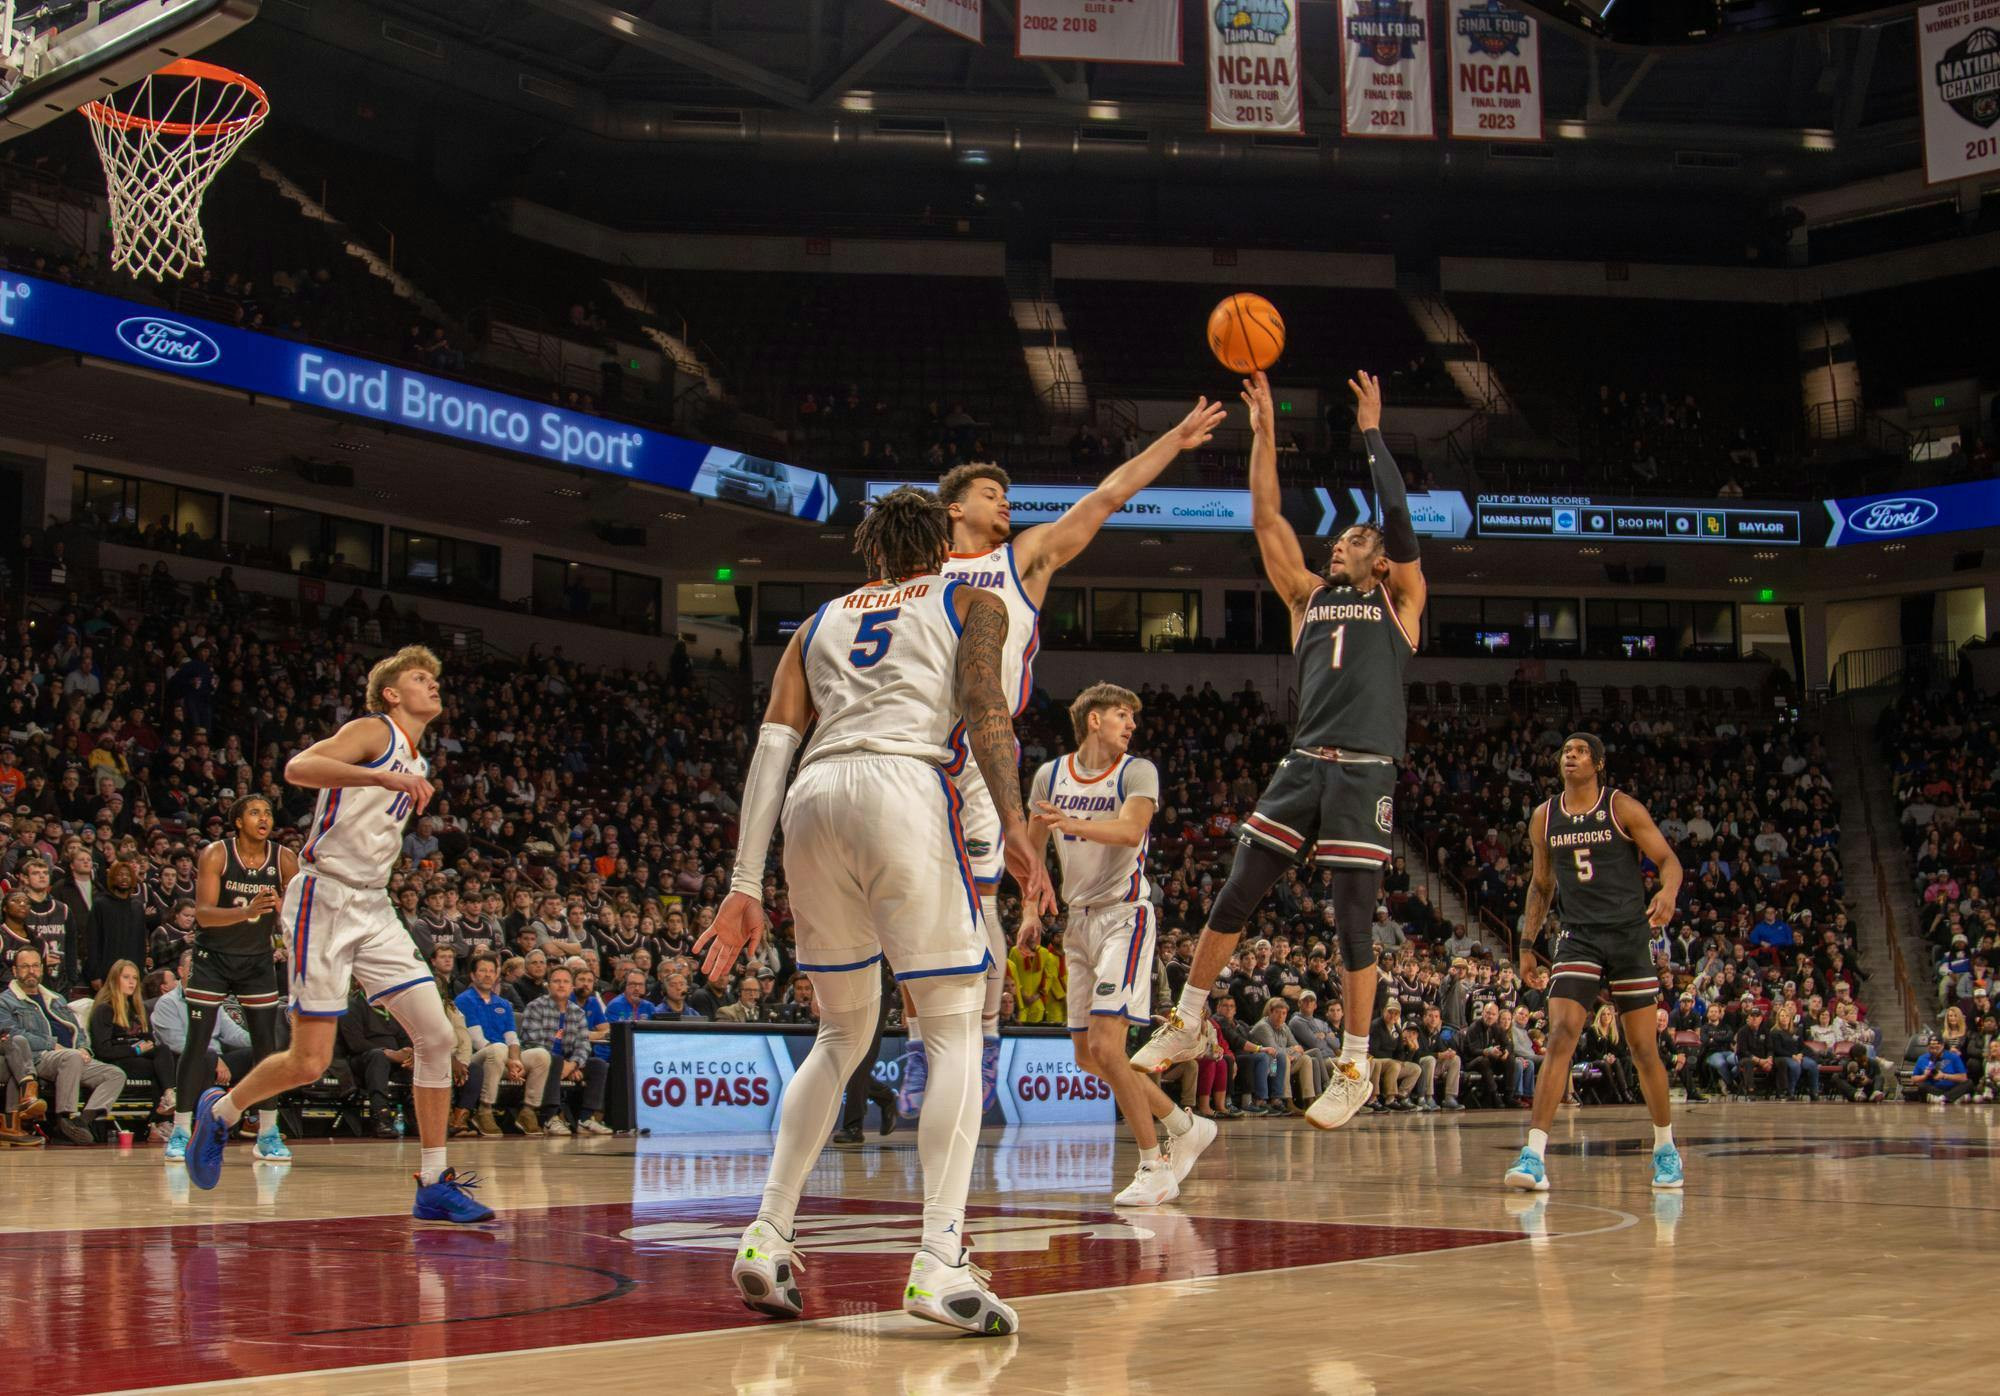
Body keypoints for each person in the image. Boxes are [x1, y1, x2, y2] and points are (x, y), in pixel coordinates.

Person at [694, 486, 1054, 1336]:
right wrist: (1011, 818)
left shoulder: (815, 622)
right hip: (904, 786)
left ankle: (767, 1236)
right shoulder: (972, 597)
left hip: (813, 803)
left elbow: (772, 745)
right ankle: (939, 1259)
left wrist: (746, 883)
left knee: (840, 1036)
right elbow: (985, 707)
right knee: (955, 1024)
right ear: (939, 544)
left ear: (873, 552)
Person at [897, 396, 1226, 1118]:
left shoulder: (1024, 557)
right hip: (909, 748)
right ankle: (918, 1041)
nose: (1006, 503)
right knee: (908, 907)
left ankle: (977, 1049)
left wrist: (1174, 438)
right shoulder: (913, 573)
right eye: (991, 494)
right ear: (953, 509)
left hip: (979, 758)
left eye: (1008, 495)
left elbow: (1109, 495)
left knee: (980, 904)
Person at [1134, 370, 1427, 1142]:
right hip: (1304, 762)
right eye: (1341, 537)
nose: (1343, 543)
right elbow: (1265, 518)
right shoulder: (1307, 597)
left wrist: (1370, 428)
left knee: (1352, 923)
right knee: (1236, 892)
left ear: (1383, 562)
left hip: (1365, 769)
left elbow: (1396, 514)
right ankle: (1188, 1018)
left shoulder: (1400, 604)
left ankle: (1356, 1066)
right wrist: (1261, 431)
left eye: (1355, 539)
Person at [183, 647, 491, 1223]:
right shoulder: (373, 731)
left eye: (435, 678)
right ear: (393, 693)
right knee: (308, 1061)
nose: (433, 685)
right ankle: (220, 1113)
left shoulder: (418, 761)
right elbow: (297, 769)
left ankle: (431, 1182)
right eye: (420, 679)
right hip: (323, 899)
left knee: (438, 1037)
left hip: (373, 906)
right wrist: (377, 773)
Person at [1018, 682, 1214, 1206]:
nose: (1131, 724)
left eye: (1133, 717)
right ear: (1093, 720)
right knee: (1089, 1058)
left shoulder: (1137, 770)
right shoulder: (1049, 775)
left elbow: (1131, 832)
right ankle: (1183, 1124)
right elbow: (1034, 853)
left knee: (1108, 1047)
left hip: (1126, 917)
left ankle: (1154, 1165)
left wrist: (1073, 822)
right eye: (1123, 715)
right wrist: (1031, 911)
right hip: (1077, 923)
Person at [1506, 733, 1686, 1193]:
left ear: (1598, 764)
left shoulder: (1622, 807)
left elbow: (1669, 861)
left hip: (1627, 935)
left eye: (1581, 751)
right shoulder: (1545, 817)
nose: (1570, 755)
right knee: (1562, 1034)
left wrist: (1667, 893)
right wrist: (1527, 944)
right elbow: (1541, 885)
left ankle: (1665, 1150)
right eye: (1565, 749)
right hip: (1578, 937)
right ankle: (1534, 1155)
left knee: (1644, 1049)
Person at [167, 795, 296, 1164]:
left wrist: (281, 914)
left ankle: (268, 1132)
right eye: (255, 812)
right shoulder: (216, 854)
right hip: (213, 959)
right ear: (238, 821)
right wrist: (250, 912)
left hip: (257, 961)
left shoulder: (283, 858)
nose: (264, 818)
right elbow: (204, 916)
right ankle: (180, 1130)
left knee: (266, 1047)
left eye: (269, 812)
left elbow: (295, 913)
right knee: (197, 1044)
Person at [0, 947, 123, 1144]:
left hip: (72, 1057)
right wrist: (55, 1046)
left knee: (115, 1074)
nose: (31, 971)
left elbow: (78, 1030)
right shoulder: (6, 1001)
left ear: (41, 968)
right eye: (24, 966)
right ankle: (65, 1117)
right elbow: (12, 1035)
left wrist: (84, 1048)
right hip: (40, 1057)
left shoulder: (56, 998)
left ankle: (82, 1122)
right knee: (71, 1057)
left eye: (35, 966)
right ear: (14, 971)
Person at [456, 951, 547, 1136]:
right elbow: (478, 1041)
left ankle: (528, 1110)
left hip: (502, 1058)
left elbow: (512, 1038)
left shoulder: (503, 1004)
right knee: (497, 1048)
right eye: (482, 970)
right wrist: (509, 1060)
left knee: (541, 1055)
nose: (488, 974)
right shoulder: (464, 1000)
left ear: (497, 974)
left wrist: (516, 1060)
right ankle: (484, 1110)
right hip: (475, 1060)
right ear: (473, 975)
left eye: (491, 971)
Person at [518, 965, 605, 1134]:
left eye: (565, 982)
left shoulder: (577, 1012)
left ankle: (585, 1119)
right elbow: (533, 1042)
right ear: (548, 985)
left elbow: (583, 1045)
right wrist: (565, 1065)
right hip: (541, 1061)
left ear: (571, 986)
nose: (561, 985)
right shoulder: (535, 1007)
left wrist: (573, 1065)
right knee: (554, 1060)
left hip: (567, 1063)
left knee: (598, 1065)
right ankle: (550, 1118)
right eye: (556, 981)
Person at [88, 958, 173, 1119]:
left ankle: (168, 1097)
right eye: (126, 977)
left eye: (134, 978)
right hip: (115, 1060)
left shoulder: (136, 1009)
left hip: (135, 1056)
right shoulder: (104, 1009)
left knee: (164, 1052)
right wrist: (135, 1049)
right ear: (114, 980)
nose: (131, 982)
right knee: (159, 1069)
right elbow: (103, 1049)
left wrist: (145, 1046)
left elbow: (148, 1040)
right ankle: (159, 1121)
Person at [1911, 1035, 1971, 1104]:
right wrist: (1925, 1076)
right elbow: (1914, 1079)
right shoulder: (1922, 1058)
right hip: (1935, 1088)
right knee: (1922, 1086)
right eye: (1931, 1047)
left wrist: (1944, 1076)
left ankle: (1942, 1098)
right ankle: (1953, 1098)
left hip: (1952, 1087)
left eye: (1937, 1046)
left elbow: (1963, 1077)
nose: (1934, 1049)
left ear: (1942, 1046)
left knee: (1969, 1083)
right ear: (1928, 1047)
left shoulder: (1953, 1057)